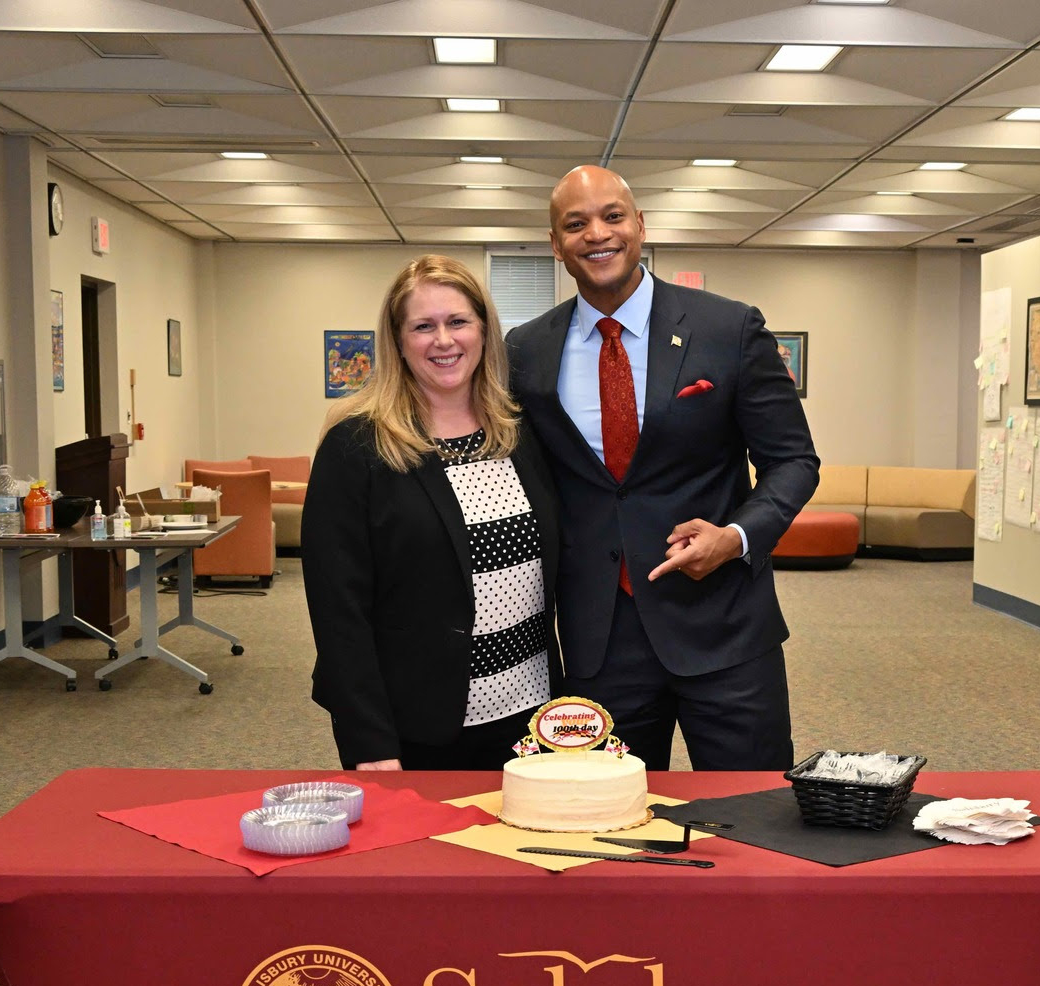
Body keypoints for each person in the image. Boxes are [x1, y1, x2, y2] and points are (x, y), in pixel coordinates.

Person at [509, 167, 818, 771]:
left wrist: (736, 536)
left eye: (612, 216)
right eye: (575, 224)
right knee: (607, 813)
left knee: (750, 809)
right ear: (556, 245)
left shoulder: (728, 328)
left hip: (724, 626)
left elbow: (793, 461)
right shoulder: (525, 349)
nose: (597, 234)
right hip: (599, 638)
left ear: (640, 225)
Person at [301, 255, 561, 769]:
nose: (444, 340)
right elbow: (338, 612)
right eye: (423, 326)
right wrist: (370, 743)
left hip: (531, 719)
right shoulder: (357, 447)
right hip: (418, 724)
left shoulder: (519, 431)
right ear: (398, 341)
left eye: (458, 321)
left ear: (483, 331)